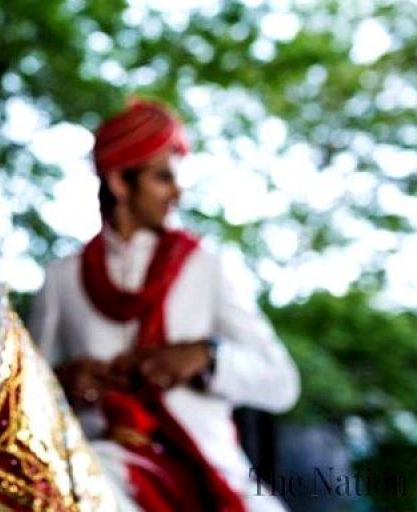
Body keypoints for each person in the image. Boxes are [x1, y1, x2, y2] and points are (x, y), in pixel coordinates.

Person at [29, 98, 300, 512]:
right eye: (162, 178)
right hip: (95, 466)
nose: (177, 192)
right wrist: (66, 380)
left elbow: (282, 383)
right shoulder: (64, 278)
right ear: (120, 182)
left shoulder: (205, 266)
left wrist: (207, 358)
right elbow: (27, 391)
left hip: (206, 469)